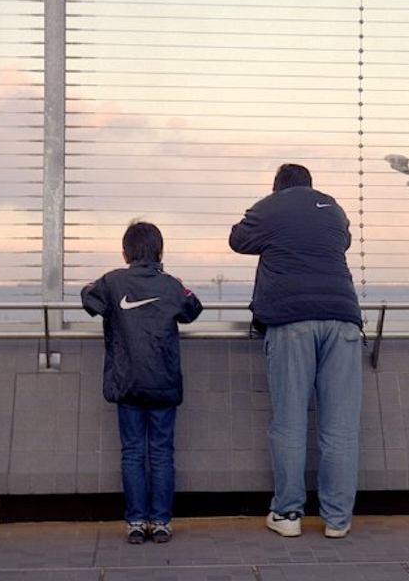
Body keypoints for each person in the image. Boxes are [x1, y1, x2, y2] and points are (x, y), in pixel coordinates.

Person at [229, 163, 363, 539]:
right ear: (310, 185)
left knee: (289, 423)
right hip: (343, 319)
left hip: (291, 322)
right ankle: (337, 520)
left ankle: (288, 515)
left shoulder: (270, 207)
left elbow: (238, 240)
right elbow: (342, 242)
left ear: (277, 187)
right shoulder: (333, 208)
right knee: (340, 428)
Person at [82, 221, 203, 544]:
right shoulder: (169, 285)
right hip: (163, 381)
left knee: (133, 452)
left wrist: (94, 285)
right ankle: (161, 522)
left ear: (125, 252)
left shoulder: (112, 281)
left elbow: (88, 299)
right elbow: (193, 309)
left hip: (127, 382)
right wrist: (176, 283)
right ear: (160, 251)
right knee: (162, 452)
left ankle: (136, 522)